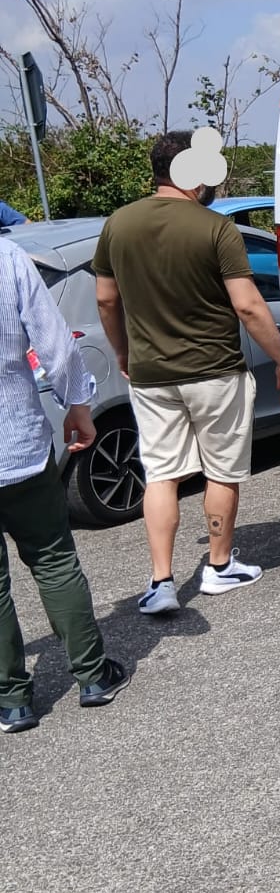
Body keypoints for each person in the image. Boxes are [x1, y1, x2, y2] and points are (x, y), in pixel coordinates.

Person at [93, 129, 280, 617]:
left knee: (161, 475)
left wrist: (122, 352)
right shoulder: (215, 228)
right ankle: (219, 566)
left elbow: (105, 299)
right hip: (215, 371)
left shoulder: (118, 224)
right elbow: (248, 305)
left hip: (150, 375)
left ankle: (161, 582)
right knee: (221, 471)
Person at [0, 237, 128, 732]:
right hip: (18, 446)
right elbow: (54, 344)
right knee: (53, 558)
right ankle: (93, 676)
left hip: (19, 447)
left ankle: (13, 700)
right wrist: (77, 405)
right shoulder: (9, 258)